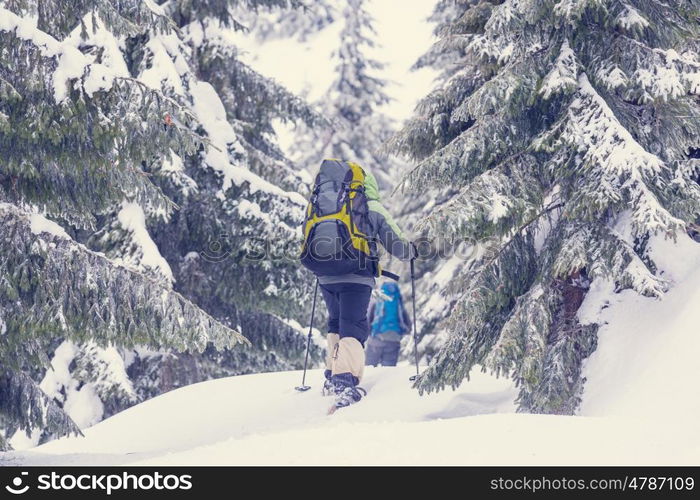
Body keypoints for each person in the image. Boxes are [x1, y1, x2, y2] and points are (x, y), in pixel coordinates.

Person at [303, 159, 413, 409]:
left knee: (336, 321)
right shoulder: (370, 205)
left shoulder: (319, 204)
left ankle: (333, 373)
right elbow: (397, 244)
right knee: (353, 323)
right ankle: (345, 379)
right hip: (356, 273)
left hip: (324, 273)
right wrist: (411, 252)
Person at [366, 281, 411, 367]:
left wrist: (369, 335)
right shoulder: (398, 303)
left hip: (376, 341)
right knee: (388, 371)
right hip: (393, 341)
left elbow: (368, 321)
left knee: (369, 369)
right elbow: (408, 325)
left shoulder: (376, 302)